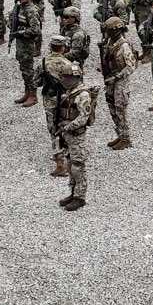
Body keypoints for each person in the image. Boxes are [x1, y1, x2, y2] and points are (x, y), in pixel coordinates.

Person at [55, 65, 93, 210]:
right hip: (68, 135)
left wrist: (67, 127)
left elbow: (83, 118)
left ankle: (80, 196)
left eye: (66, 77)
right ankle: (73, 192)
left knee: (78, 166)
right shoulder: (69, 92)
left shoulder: (82, 95)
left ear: (75, 78)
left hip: (77, 136)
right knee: (70, 165)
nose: (64, 80)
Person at [99, 17, 134, 151]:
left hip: (120, 83)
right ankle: (120, 135)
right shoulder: (110, 43)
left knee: (120, 110)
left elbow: (131, 66)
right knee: (112, 108)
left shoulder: (124, 46)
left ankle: (126, 139)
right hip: (110, 80)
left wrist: (117, 77)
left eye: (109, 30)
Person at [10, 0, 42, 106]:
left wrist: (20, 32)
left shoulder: (32, 11)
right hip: (20, 43)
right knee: (23, 69)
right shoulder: (19, 8)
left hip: (27, 43)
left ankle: (33, 95)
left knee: (28, 70)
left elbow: (35, 30)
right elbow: (10, 17)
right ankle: (27, 92)